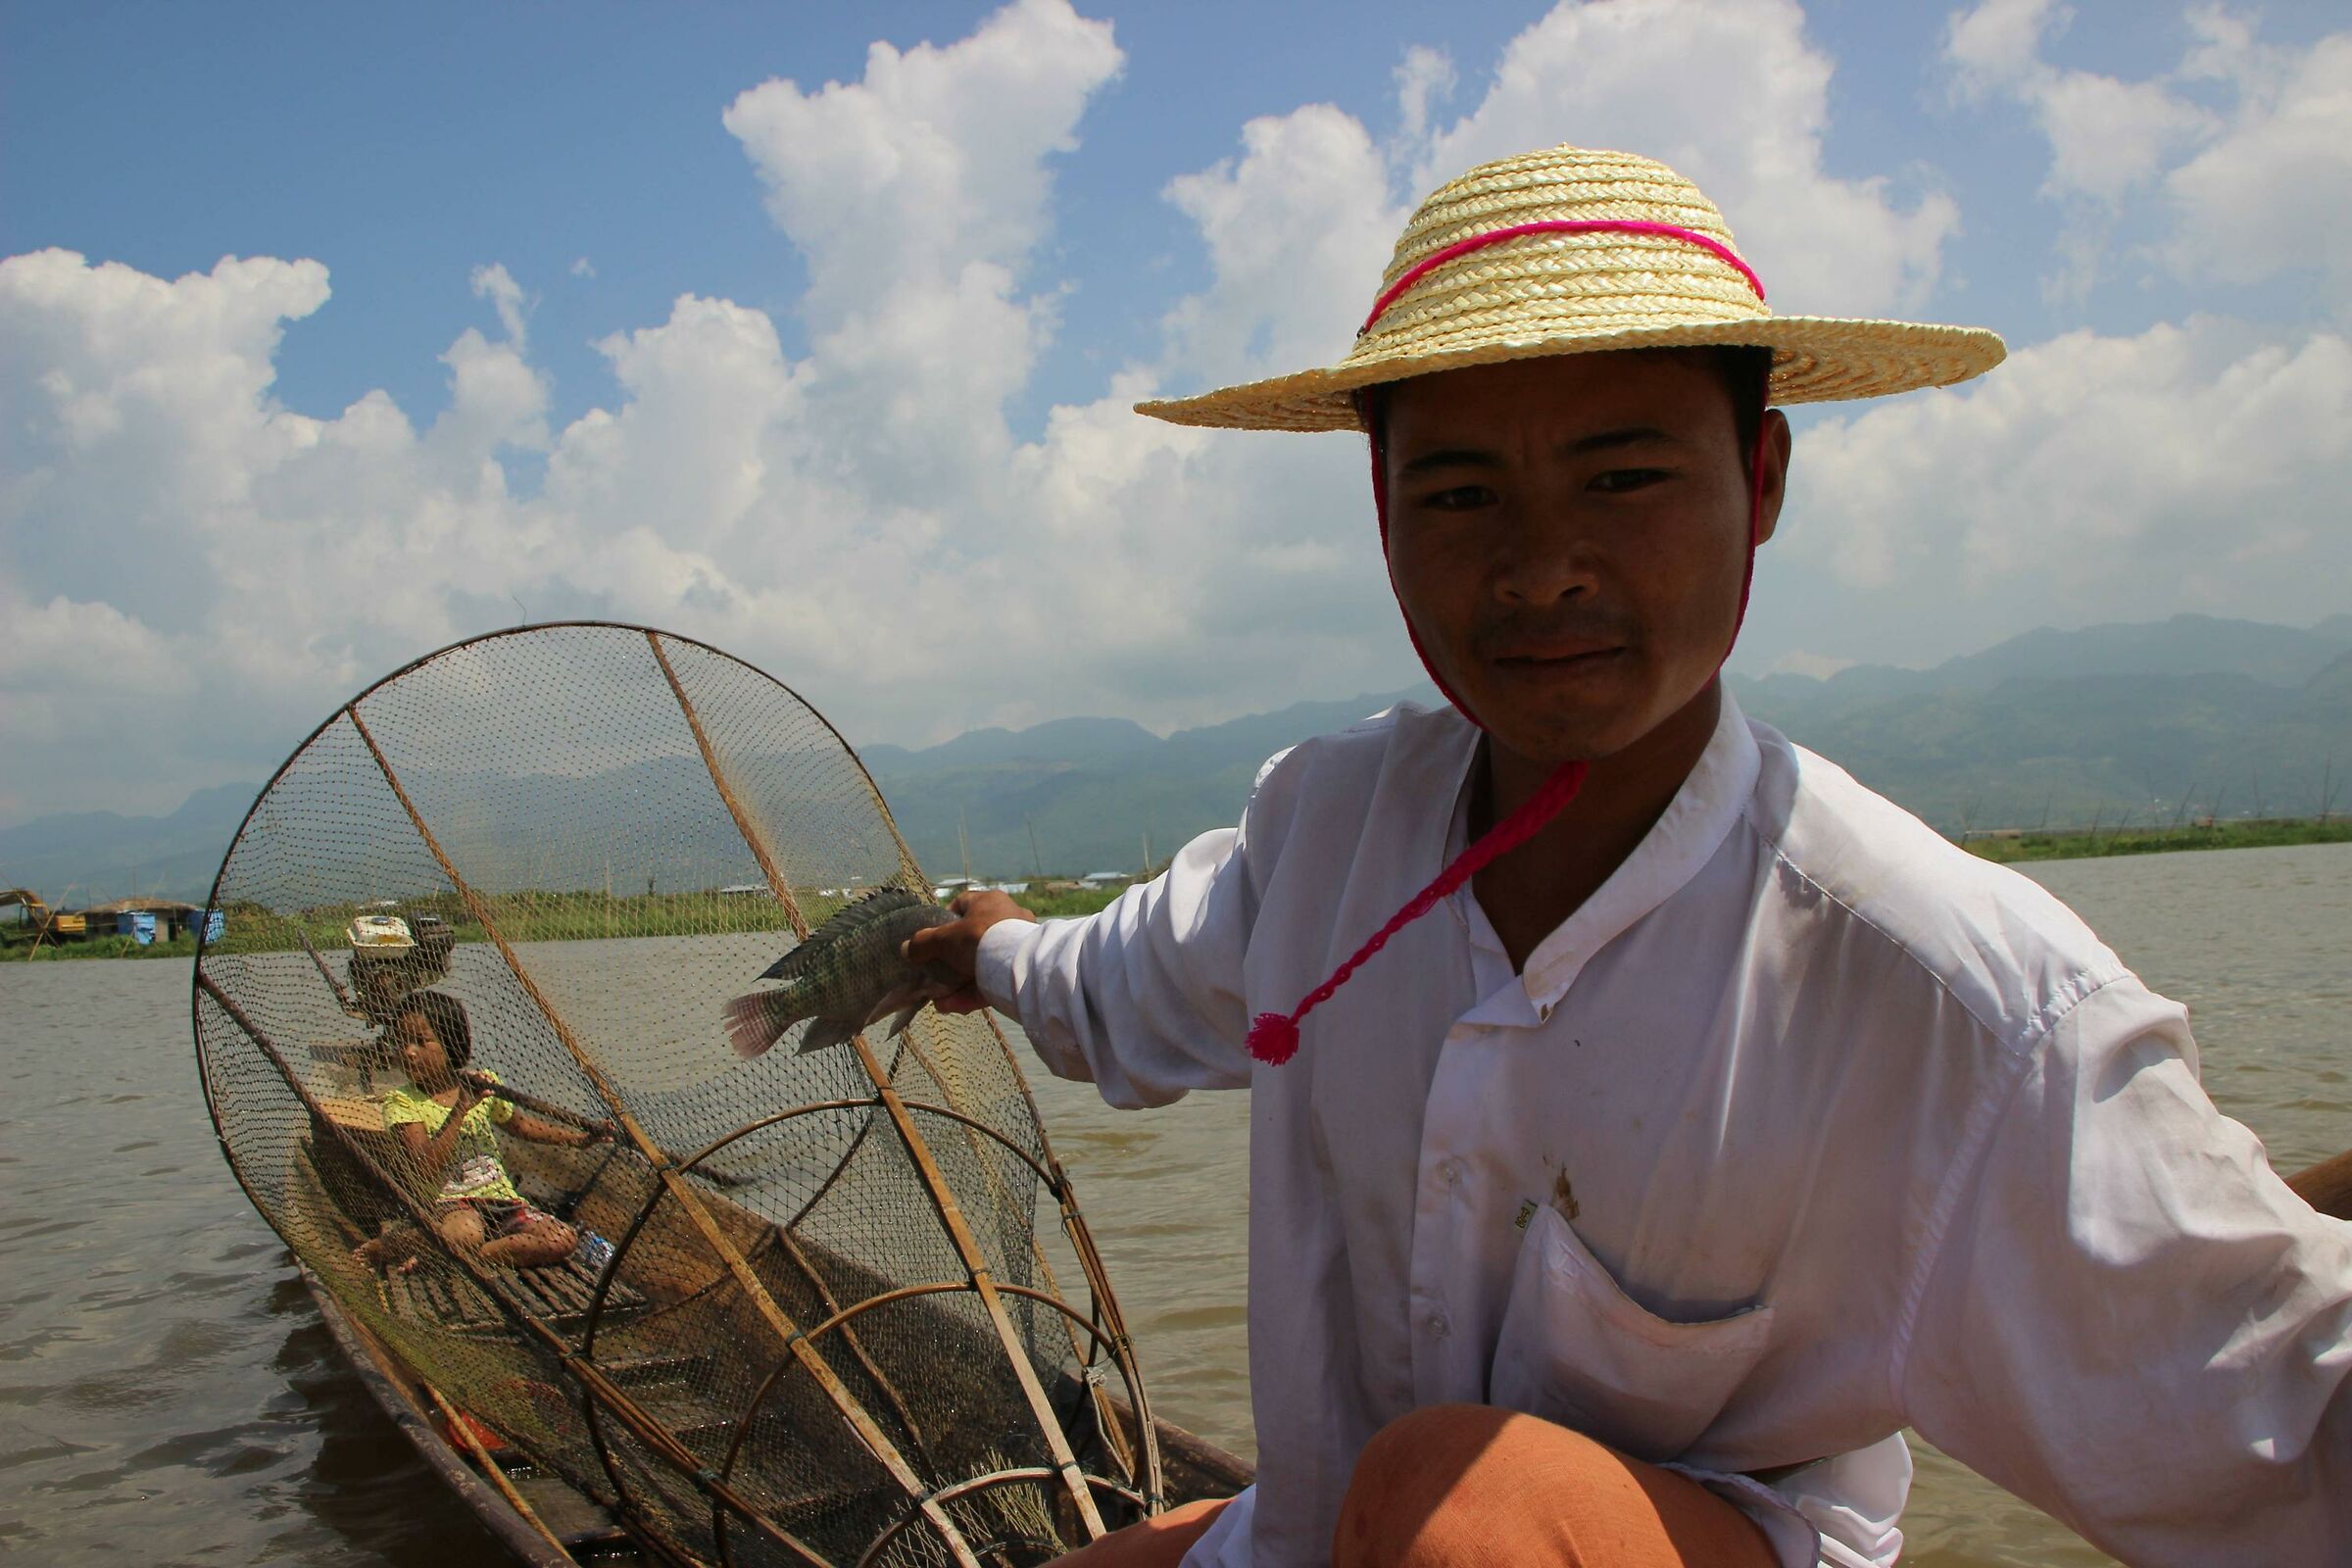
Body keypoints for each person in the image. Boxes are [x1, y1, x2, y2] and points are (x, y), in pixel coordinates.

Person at [905, 146, 2352, 1567]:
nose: (1542, 568)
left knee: (1458, 1512)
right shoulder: (1325, 829)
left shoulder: (1942, 992)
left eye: (1625, 479)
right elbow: (1125, 977)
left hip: (1677, 1542)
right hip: (1322, 1533)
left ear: (1761, 478)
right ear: (1382, 511)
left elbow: (2285, 1413)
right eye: (1463, 495)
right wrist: (988, 952)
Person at [354, 989, 611, 1271]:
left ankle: (456, 1255)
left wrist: (580, 1139)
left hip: (502, 1201)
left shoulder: (484, 1084)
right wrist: (462, 1107)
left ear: (451, 1044)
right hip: (450, 1206)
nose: (408, 1052)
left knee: (562, 1239)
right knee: (466, 1233)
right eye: (401, 1041)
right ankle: (400, 1246)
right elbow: (424, 1166)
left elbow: (522, 1126)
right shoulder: (402, 1101)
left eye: (421, 1041)